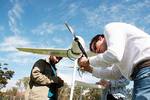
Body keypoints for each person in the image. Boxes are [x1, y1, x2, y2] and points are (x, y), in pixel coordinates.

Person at [78, 22, 150, 100]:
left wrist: (88, 61)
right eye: (95, 52)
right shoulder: (121, 54)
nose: (97, 52)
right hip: (141, 73)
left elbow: (113, 55)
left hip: (146, 69)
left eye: (95, 48)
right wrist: (90, 69)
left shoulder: (110, 28)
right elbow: (114, 74)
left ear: (100, 38)